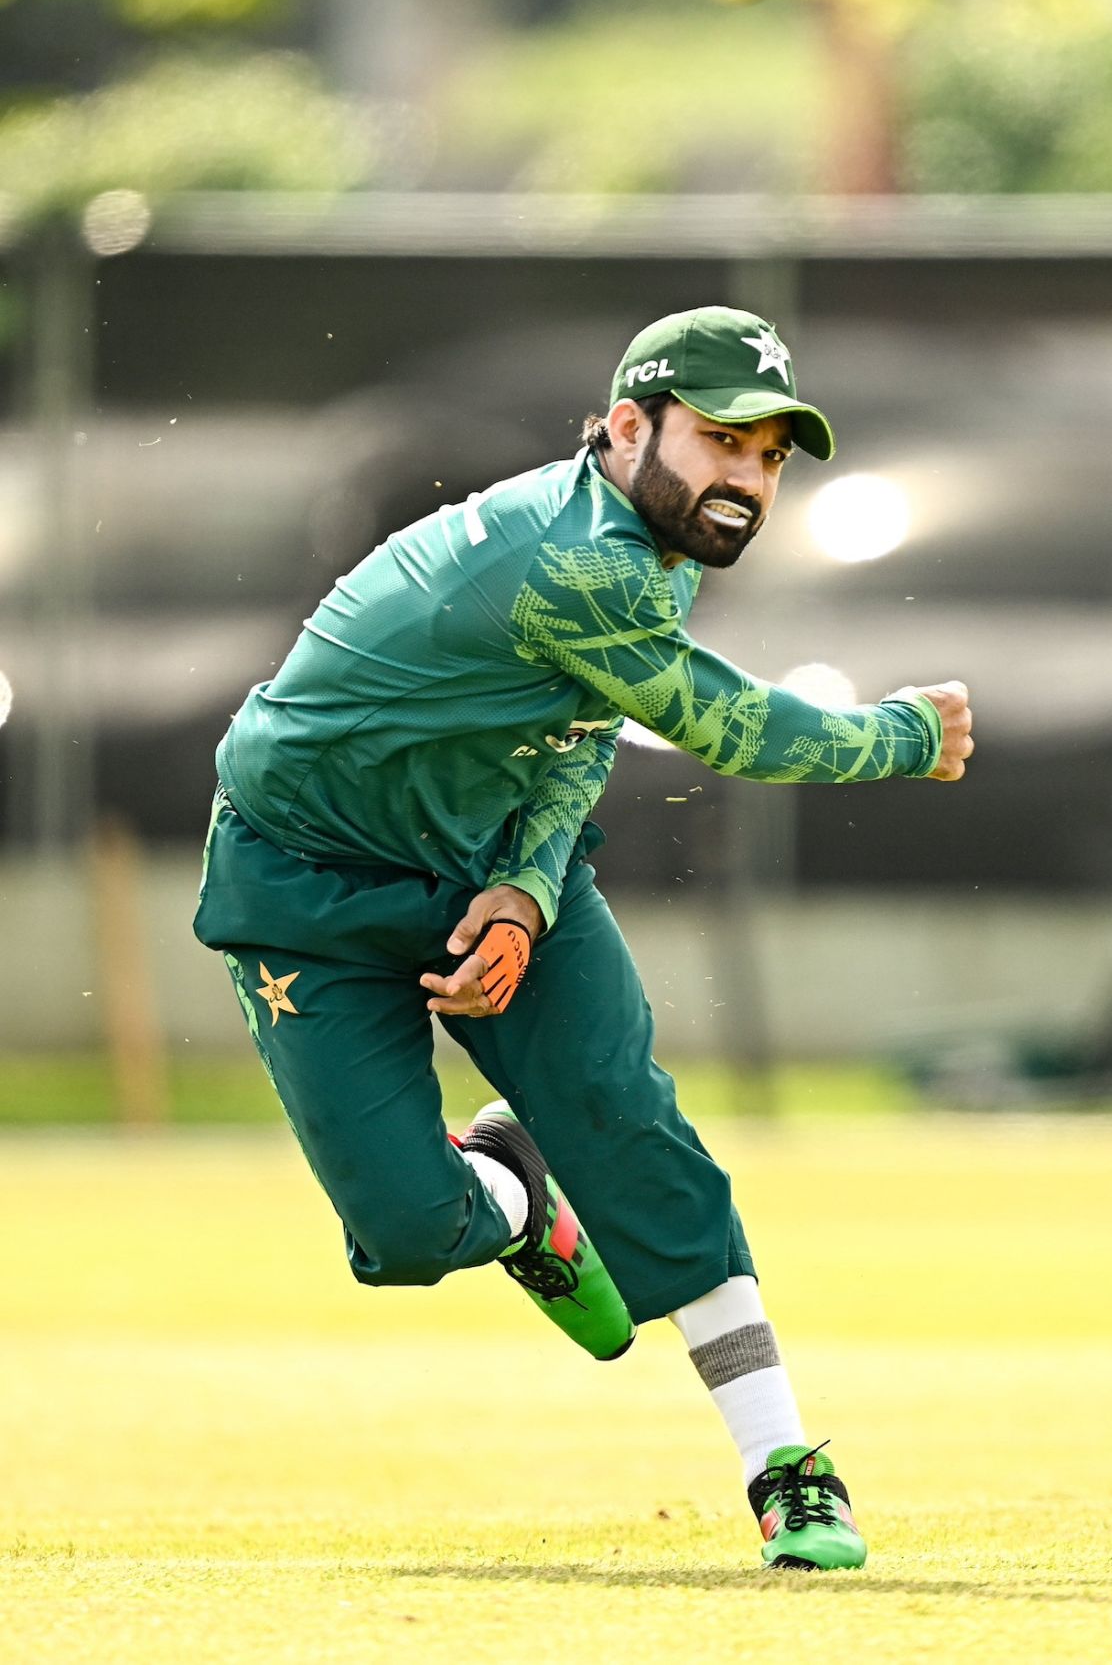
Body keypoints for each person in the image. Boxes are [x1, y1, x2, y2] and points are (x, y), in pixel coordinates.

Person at [194, 305, 974, 1571]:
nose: (746, 479)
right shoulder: (582, 561)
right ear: (627, 425)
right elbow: (728, 732)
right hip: (308, 882)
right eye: (722, 439)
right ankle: (515, 1199)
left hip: (489, 863)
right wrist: (899, 736)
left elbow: (578, 732)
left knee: (633, 1129)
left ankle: (787, 1467)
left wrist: (527, 891)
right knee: (402, 1233)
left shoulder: (645, 541)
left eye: (771, 456)